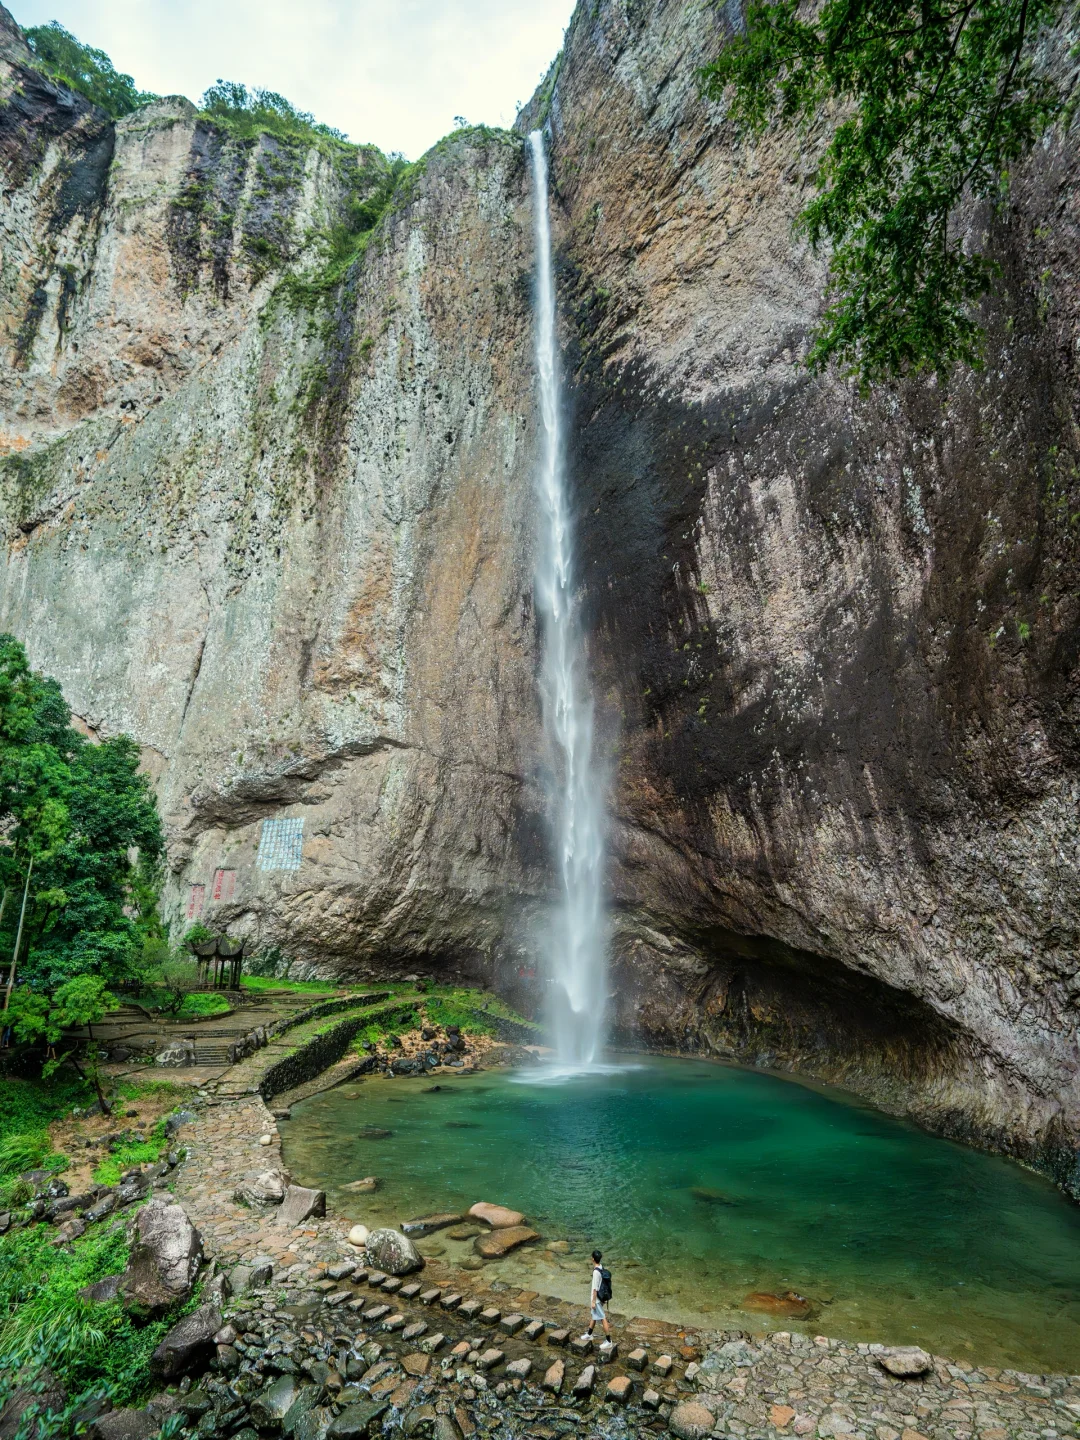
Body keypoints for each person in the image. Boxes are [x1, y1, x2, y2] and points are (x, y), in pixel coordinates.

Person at [580, 1248, 612, 1342]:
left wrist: (593, 1302)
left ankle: (609, 1341)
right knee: (594, 1316)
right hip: (600, 1298)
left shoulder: (595, 1272)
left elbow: (595, 1289)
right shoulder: (601, 1267)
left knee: (603, 1318)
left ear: (593, 1259)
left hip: (597, 1299)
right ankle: (589, 1334)